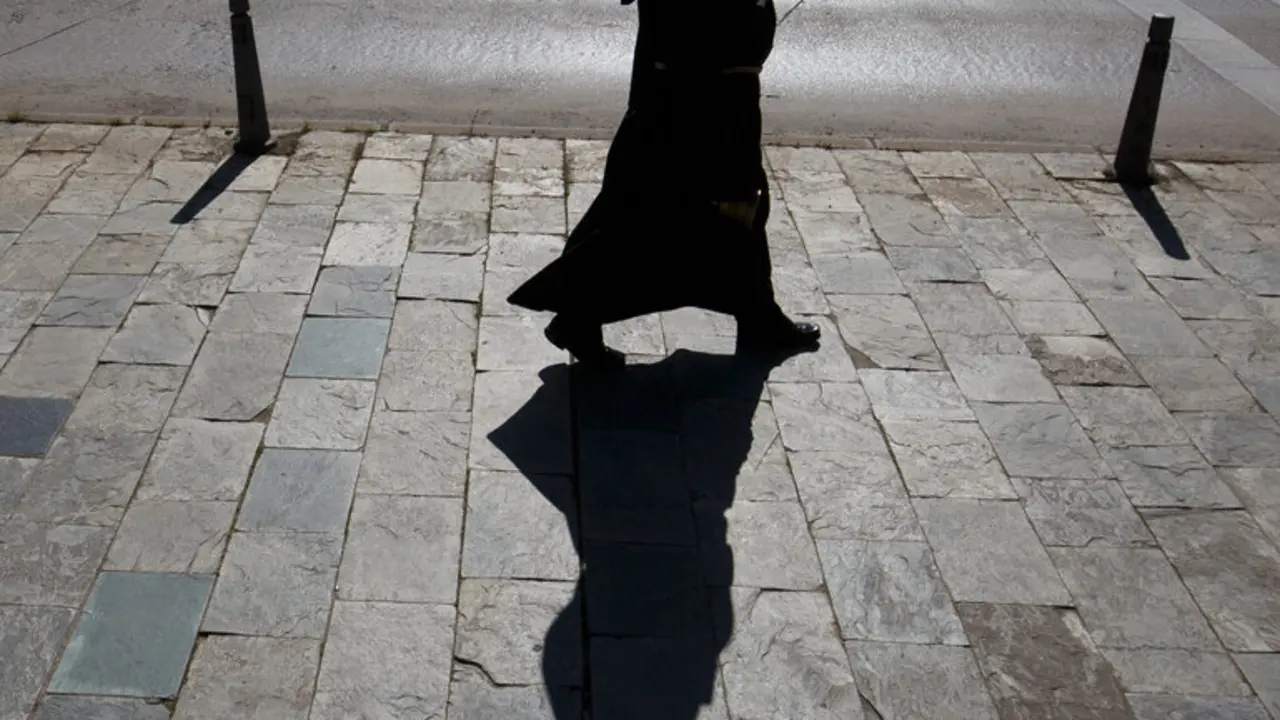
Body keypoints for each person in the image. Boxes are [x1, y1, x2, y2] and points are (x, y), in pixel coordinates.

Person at [507, 0, 820, 367]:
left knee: (734, 202)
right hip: (698, 86)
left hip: (709, 82)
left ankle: (757, 314)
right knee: (658, 213)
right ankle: (578, 317)